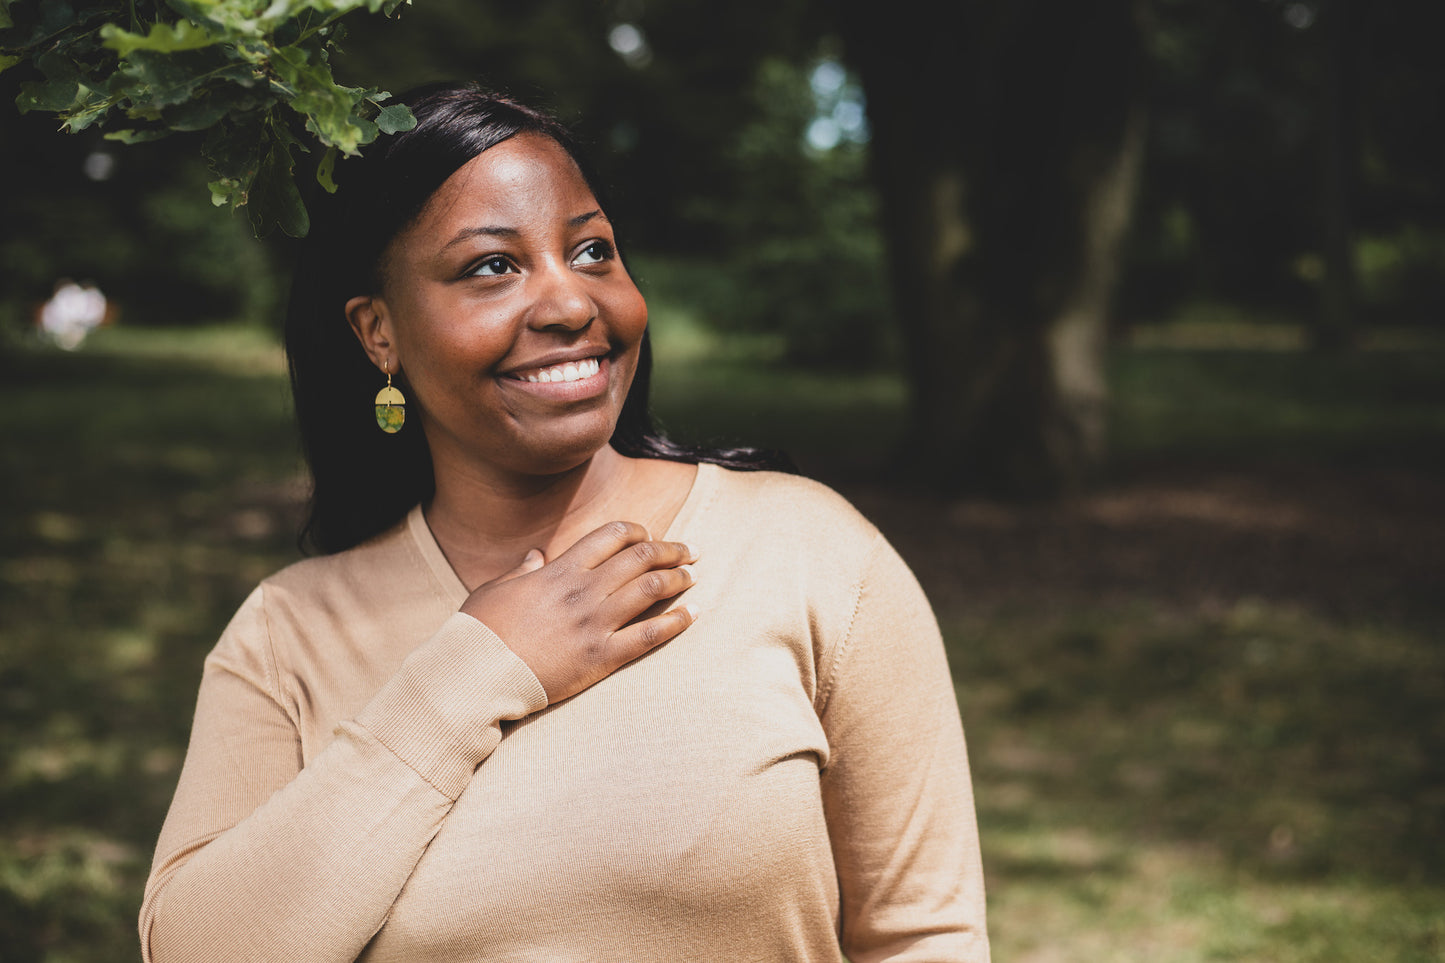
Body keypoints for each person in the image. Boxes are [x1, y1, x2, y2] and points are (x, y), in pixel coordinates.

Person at [139, 82, 989, 962]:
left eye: (591, 252)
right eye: (491, 267)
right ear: (377, 333)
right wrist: (472, 673)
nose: (569, 304)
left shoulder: (808, 553)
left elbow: (923, 936)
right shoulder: (291, 635)